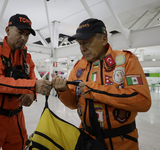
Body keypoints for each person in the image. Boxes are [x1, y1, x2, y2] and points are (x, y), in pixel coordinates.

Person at [52, 18, 151, 150]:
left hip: (121, 142)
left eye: (86, 43)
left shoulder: (126, 60)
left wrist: (94, 91)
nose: (82, 49)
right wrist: (63, 90)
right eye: (80, 44)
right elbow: (73, 105)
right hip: (86, 140)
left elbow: (143, 101)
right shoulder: (78, 67)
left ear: (104, 39)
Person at [0, 14, 52, 150]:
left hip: (16, 118)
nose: (23, 38)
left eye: (27, 35)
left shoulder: (27, 57)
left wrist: (32, 94)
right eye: (20, 33)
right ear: (8, 30)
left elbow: (33, 80)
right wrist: (31, 86)